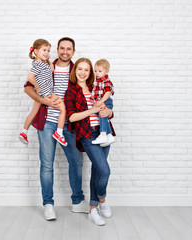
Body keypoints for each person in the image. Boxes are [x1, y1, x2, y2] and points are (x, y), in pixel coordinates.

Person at [24, 37, 88, 221]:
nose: (65, 52)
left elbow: (91, 90)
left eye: (69, 49)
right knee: (46, 165)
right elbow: (28, 88)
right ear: (57, 50)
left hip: (69, 124)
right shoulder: (45, 66)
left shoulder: (78, 70)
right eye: (62, 48)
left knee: (76, 162)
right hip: (46, 123)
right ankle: (48, 204)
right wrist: (44, 101)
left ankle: (77, 202)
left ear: (73, 52)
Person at [64, 58, 115, 226]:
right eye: (80, 69)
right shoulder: (72, 91)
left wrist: (107, 111)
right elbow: (71, 117)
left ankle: (93, 209)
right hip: (87, 135)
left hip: (103, 132)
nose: (83, 72)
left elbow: (109, 108)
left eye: (87, 70)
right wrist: (92, 109)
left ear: (91, 72)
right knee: (105, 170)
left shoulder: (96, 87)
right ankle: (102, 199)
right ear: (75, 70)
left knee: (97, 172)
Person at [19, 39, 67, 146]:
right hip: (46, 93)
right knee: (62, 108)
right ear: (36, 51)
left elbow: (52, 70)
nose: (46, 53)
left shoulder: (44, 64)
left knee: (33, 112)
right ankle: (59, 133)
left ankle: (24, 132)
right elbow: (30, 77)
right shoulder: (37, 65)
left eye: (48, 51)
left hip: (45, 92)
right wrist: (37, 86)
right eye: (44, 50)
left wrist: (48, 60)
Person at [91, 59, 115, 146]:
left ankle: (103, 134)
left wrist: (101, 101)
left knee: (102, 115)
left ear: (106, 71)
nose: (97, 73)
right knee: (103, 117)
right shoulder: (97, 81)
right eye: (95, 71)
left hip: (106, 101)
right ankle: (109, 135)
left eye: (100, 71)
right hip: (101, 101)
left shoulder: (106, 81)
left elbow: (108, 93)